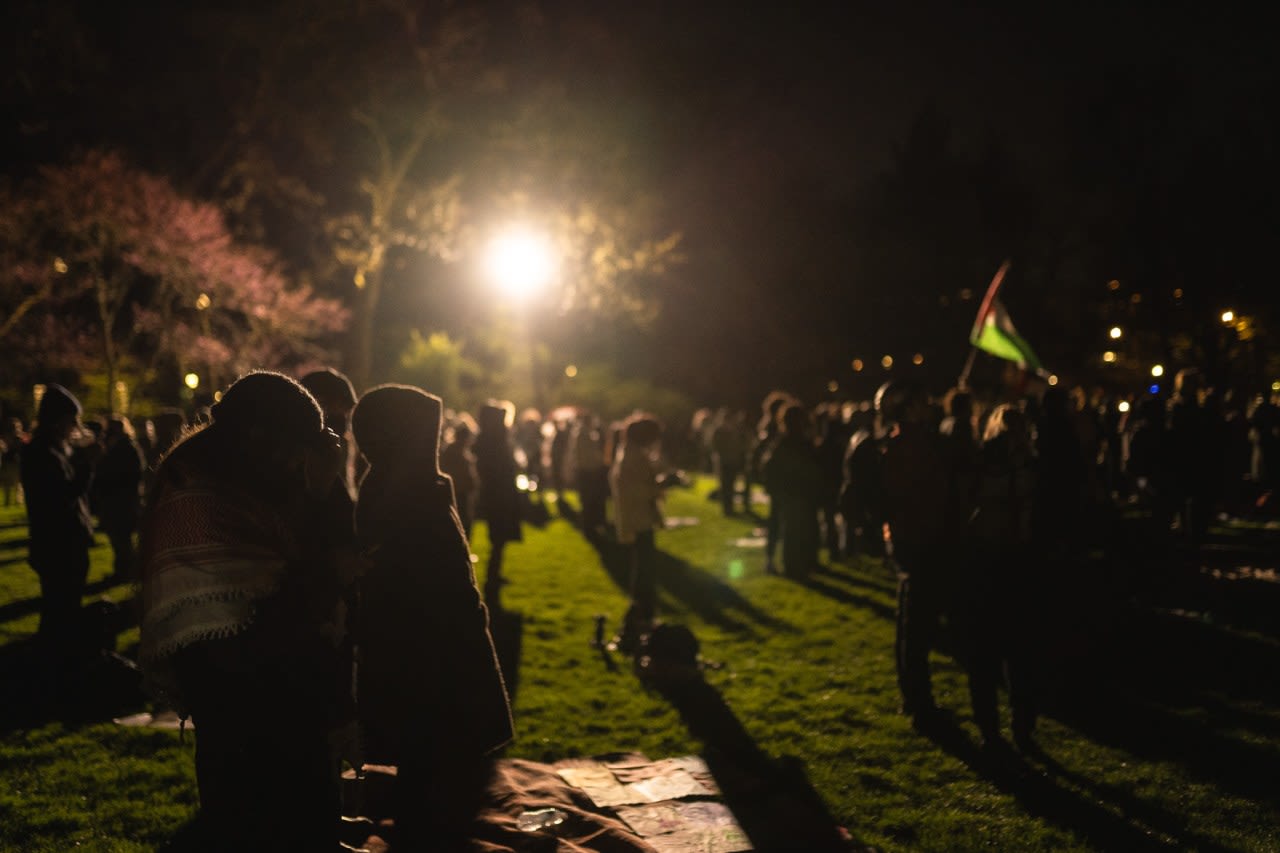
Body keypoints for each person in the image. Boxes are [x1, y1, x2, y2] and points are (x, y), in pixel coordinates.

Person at [139, 371, 349, 851]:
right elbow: (285, 595)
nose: (298, 461)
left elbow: (318, 553)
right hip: (240, 689)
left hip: (268, 686)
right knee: (253, 820)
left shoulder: (244, 481)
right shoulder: (196, 495)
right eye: (294, 448)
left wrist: (324, 487)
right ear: (258, 436)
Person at [351, 384, 514, 850]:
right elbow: (421, 574)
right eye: (429, 434)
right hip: (425, 645)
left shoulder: (418, 486)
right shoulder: (401, 494)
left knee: (438, 758)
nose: (439, 443)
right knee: (433, 754)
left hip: (436, 638)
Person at [877, 380, 964, 728]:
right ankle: (918, 701)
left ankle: (915, 697)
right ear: (907, 408)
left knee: (912, 623)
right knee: (916, 627)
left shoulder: (906, 443)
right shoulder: (911, 446)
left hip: (914, 540)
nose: (928, 406)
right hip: (920, 541)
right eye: (920, 402)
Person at [21, 384, 99, 665]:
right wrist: (87, 466)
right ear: (58, 420)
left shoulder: (50, 450)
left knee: (60, 605)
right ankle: (56, 663)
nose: (74, 428)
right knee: (61, 606)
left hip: (59, 543)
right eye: (70, 421)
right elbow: (61, 497)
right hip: (58, 545)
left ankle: (54, 658)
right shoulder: (43, 453)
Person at [609, 413, 679, 653]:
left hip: (639, 519)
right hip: (639, 521)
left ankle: (643, 614)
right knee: (644, 570)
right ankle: (640, 616)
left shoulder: (630, 454)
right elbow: (640, 490)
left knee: (644, 569)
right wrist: (662, 484)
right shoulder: (633, 457)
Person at [762, 403, 822, 577]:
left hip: (794, 493)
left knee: (795, 530)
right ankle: (797, 565)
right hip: (796, 493)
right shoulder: (797, 443)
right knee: (796, 530)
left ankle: (797, 564)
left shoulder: (785, 443)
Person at [474, 401, 523, 601]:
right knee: (498, 536)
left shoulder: (492, 441)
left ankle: (494, 574)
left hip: (500, 494)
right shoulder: (490, 443)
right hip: (497, 495)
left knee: (499, 538)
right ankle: (492, 577)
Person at [92, 416, 147, 581]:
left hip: (122, 501)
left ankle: (126, 571)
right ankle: (123, 570)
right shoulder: (121, 447)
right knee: (120, 539)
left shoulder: (125, 448)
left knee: (122, 540)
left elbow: (128, 475)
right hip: (119, 500)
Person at [440, 412, 480, 540]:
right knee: (462, 522)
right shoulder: (456, 453)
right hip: (459, 493)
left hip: (461, 492)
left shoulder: (456, 451)